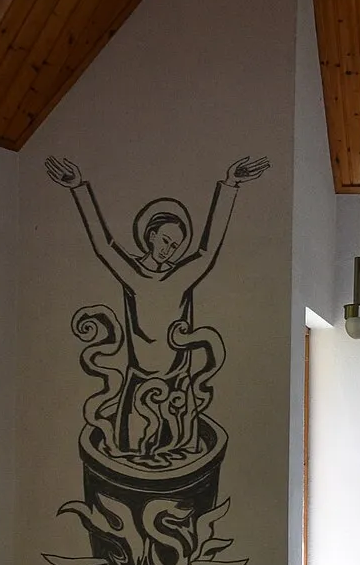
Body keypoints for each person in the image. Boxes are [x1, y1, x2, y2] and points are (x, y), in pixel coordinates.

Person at [45, 155, 269, 455]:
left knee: (178, 453)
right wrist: (78, 188)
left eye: (176, 246)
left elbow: (207, 251)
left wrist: (230, 184)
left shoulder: (180, 278)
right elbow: (103, 245)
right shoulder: (134, 276)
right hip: (139, 382)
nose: (170, 250)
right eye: (165, 241)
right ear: (150, 235)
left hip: (177, 385)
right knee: (134, 450)